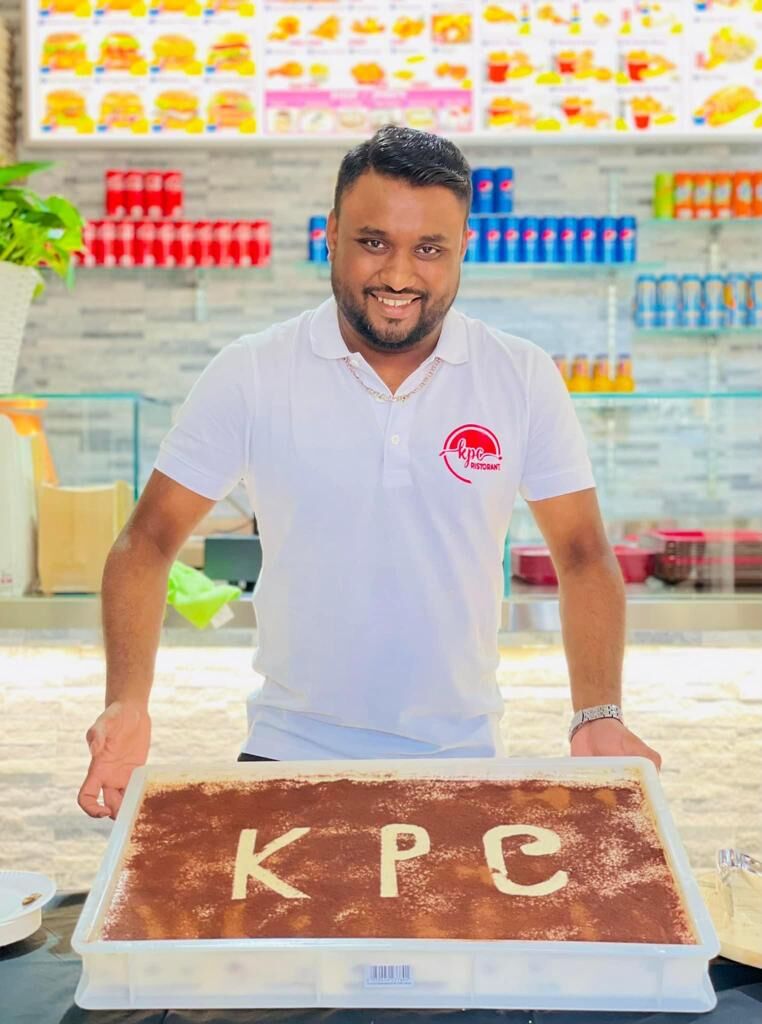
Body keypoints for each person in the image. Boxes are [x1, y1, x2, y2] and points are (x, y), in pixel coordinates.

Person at [78, 126, 661, 820]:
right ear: (331, 234)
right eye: (374, 242)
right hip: (286, 755)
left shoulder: (521, 375)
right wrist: (127, 701)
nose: (399, 275)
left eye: (429, 249)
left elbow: (584, 553)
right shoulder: (252, 371)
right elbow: (146, 542)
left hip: (464, 759)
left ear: (464, 247)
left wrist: (597, 712)